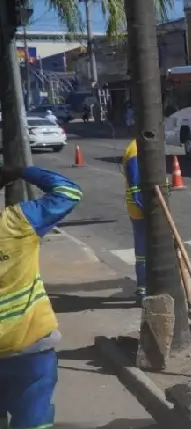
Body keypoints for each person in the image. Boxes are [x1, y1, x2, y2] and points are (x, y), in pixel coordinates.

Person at [0, 166, 83, 429]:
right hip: (28, 349)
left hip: (28, 352)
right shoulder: (17, 223)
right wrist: (24, 170)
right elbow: (68, 191)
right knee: (33, 420)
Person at [122, 136, 147, 300]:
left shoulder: (135, 147)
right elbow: (136, 181)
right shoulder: (136, 149)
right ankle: (144, 289)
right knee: (144, 252)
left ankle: (142, 288)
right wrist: (143, 205)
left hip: (137, 208)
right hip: (141, 209)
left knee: (142, 251)